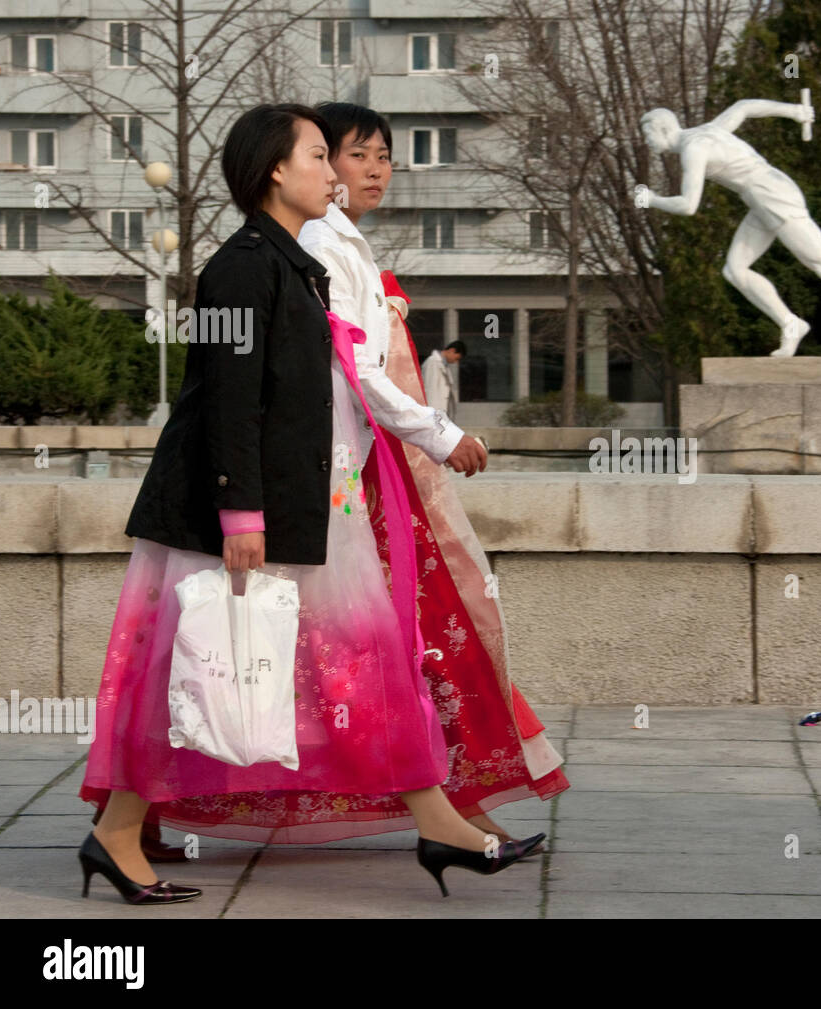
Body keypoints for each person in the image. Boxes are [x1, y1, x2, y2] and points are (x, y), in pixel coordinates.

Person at [78, 103, 542, 906]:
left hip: (308, 502)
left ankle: (437, 820)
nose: (336, 174)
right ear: (274, 171)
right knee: (183, 674)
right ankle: (118, 832)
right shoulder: (237, 268)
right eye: (322, 156)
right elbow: (227, 397)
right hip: (231, 512)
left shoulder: (297, 264)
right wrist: (240, 516)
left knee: (365, 668)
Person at [297, 102, 569, 848]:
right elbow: (354, 372)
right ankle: (139, 805)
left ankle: (457, 809)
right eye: (356, 154)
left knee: (407, 638)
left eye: (384, 154)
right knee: (383, 643)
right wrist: (442, 434)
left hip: (371, 471)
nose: (376, 168)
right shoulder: (324, 244)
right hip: (349, 480)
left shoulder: (343, 246)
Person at [637, 102, 821, 357]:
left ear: (663, 128)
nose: (647, 142)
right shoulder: (707, 131)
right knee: (735, 270)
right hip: (759, 199)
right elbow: (744, 107)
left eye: (648, 134)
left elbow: (688, 206)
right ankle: (791, 324)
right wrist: (794, 110)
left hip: (771, 194)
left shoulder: (694, 149)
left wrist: (652, 199)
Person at [422, 341, 465, 416]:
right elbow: (430, 390)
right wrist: (432, 416)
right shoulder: (432, 362)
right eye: (457, 358)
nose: (456, 362)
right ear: (452, 350)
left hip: (440, 414)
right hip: (434, 414)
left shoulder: (443, 365)